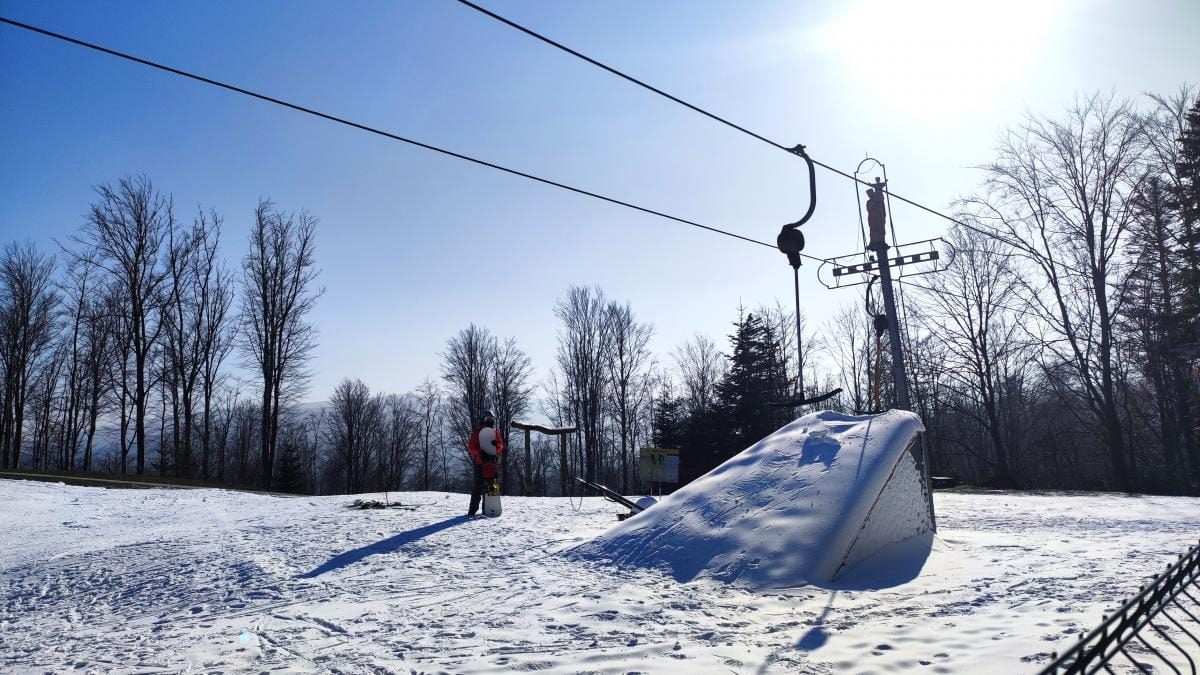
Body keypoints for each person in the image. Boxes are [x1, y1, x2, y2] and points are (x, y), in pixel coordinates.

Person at [467, 409, 504, 516]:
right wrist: (480, 452)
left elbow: (501, 446)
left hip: (492, 464)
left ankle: (488, 510)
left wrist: (496, 446)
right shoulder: (477, 433)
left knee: (491, 486)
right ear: (483, 419)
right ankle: (472, 511)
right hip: (480, 464)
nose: (490, 421)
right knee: (478, 488)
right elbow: (471, 447)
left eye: (491, 419)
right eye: (488, 419)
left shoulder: (495, 433)